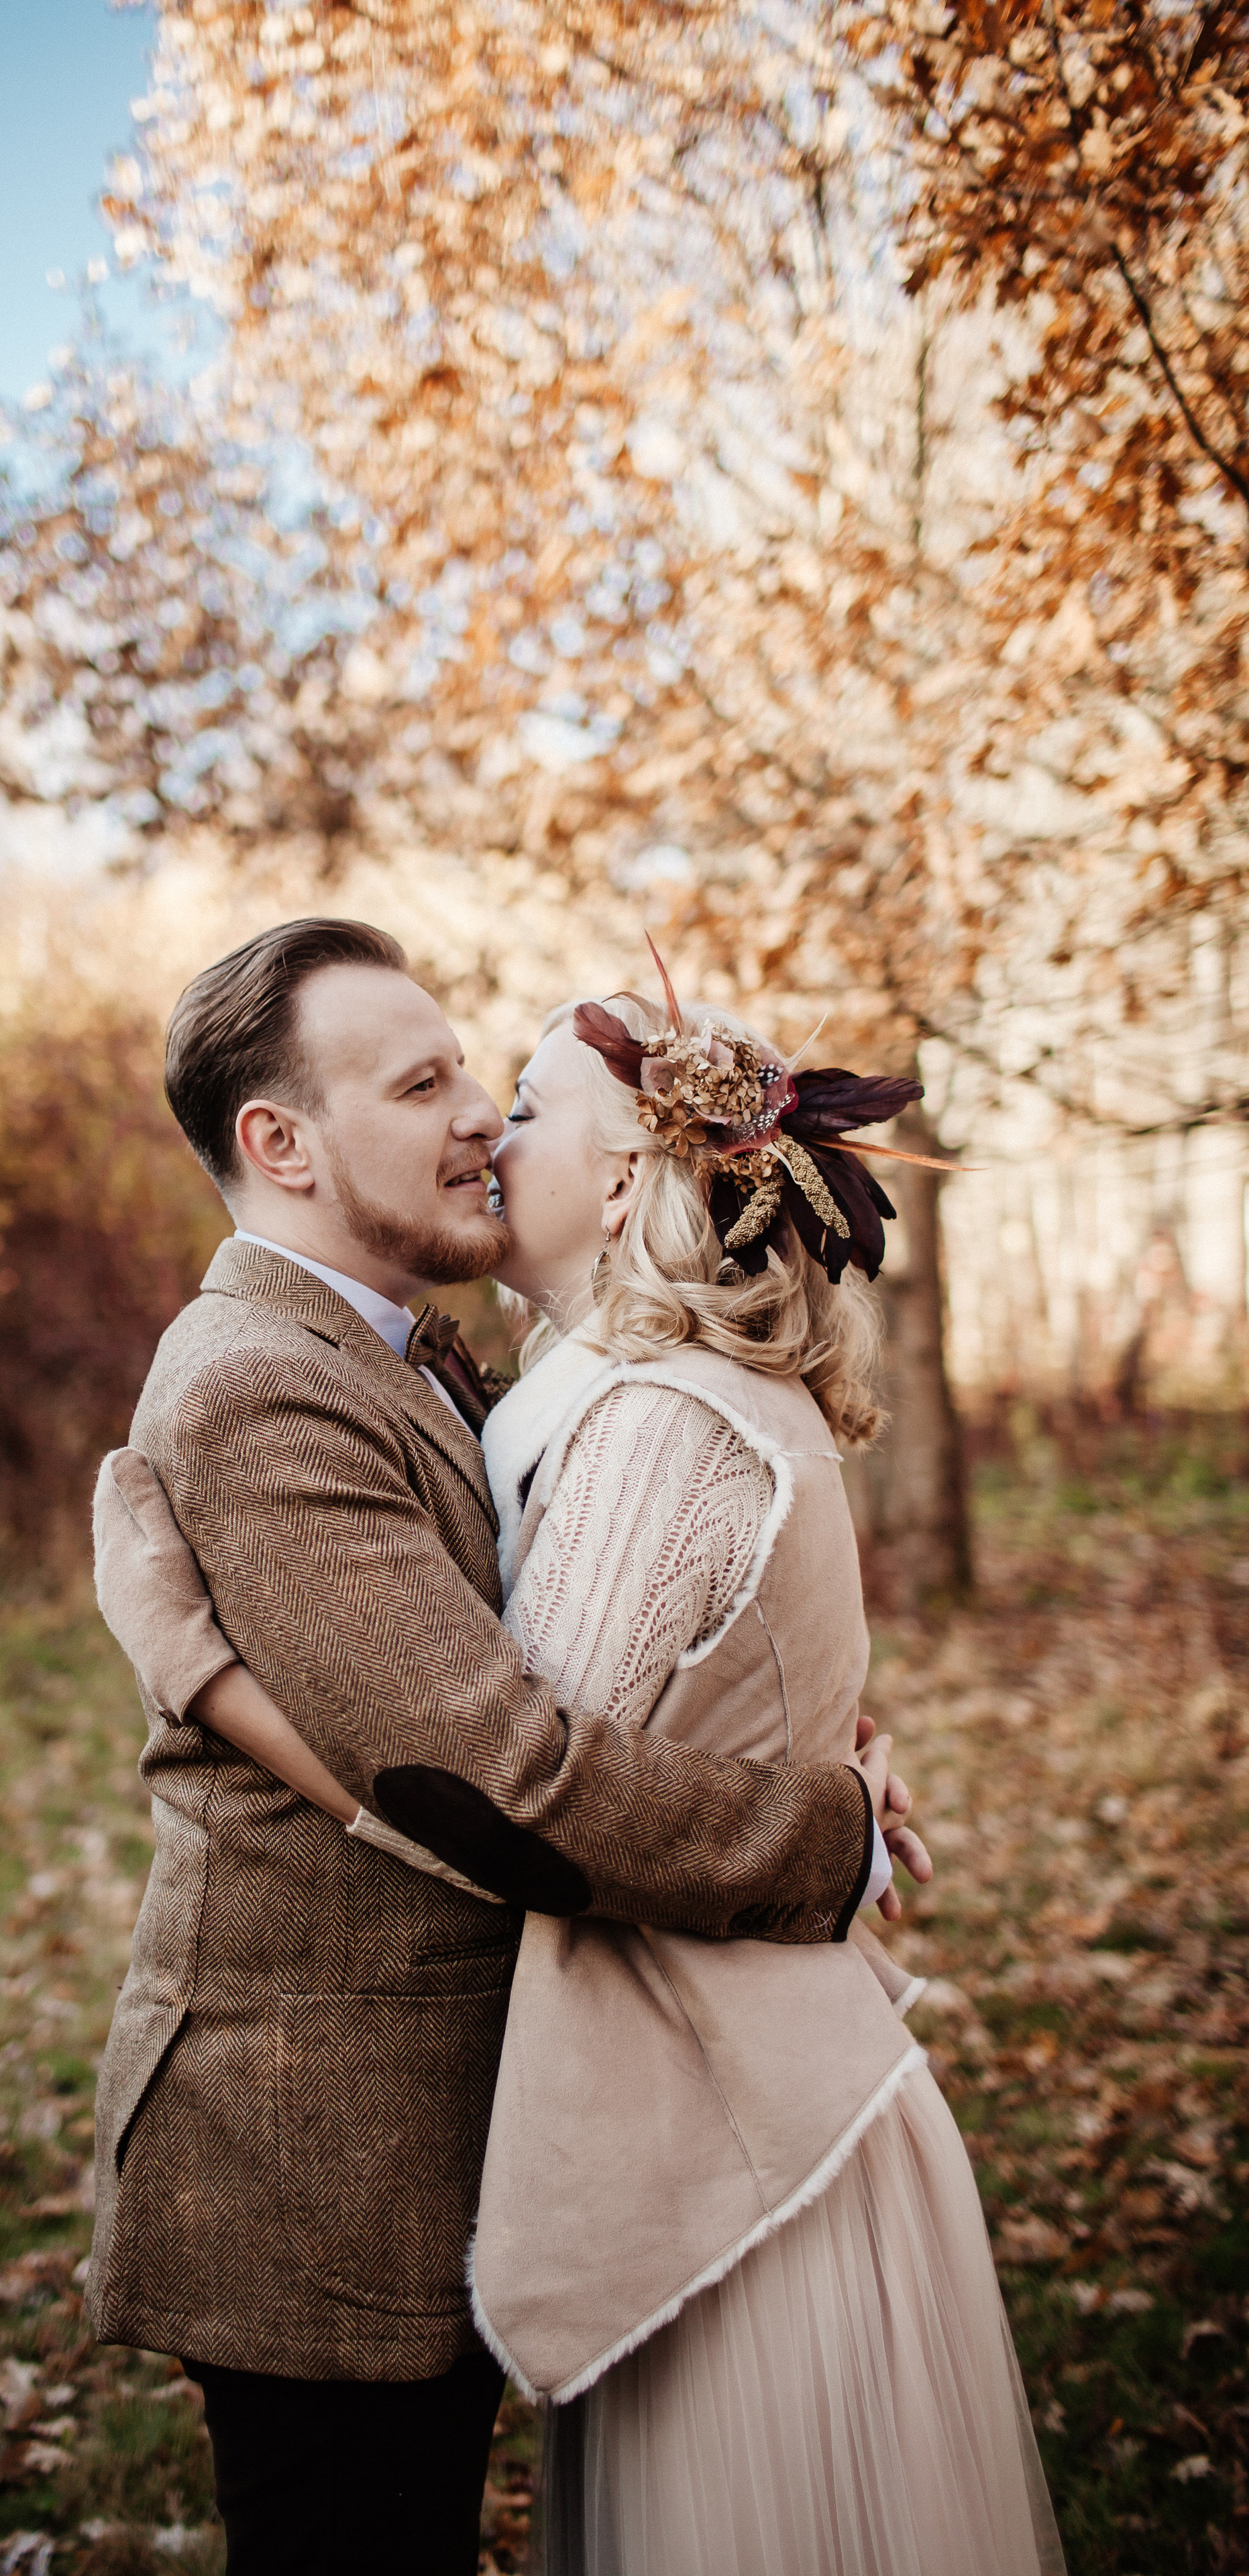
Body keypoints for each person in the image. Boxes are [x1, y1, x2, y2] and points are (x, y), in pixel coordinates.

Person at [100, 941, 1063, 2574]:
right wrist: (820, 1833)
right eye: (422, 1087)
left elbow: (593, 1677)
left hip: (485, 2121)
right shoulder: (264, 1379)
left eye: (484, 1079)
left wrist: (811, 1729)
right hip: (322, 2164)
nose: (477, 1119)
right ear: (283, 1147)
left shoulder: (437, 1355)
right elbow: (494, 1781)